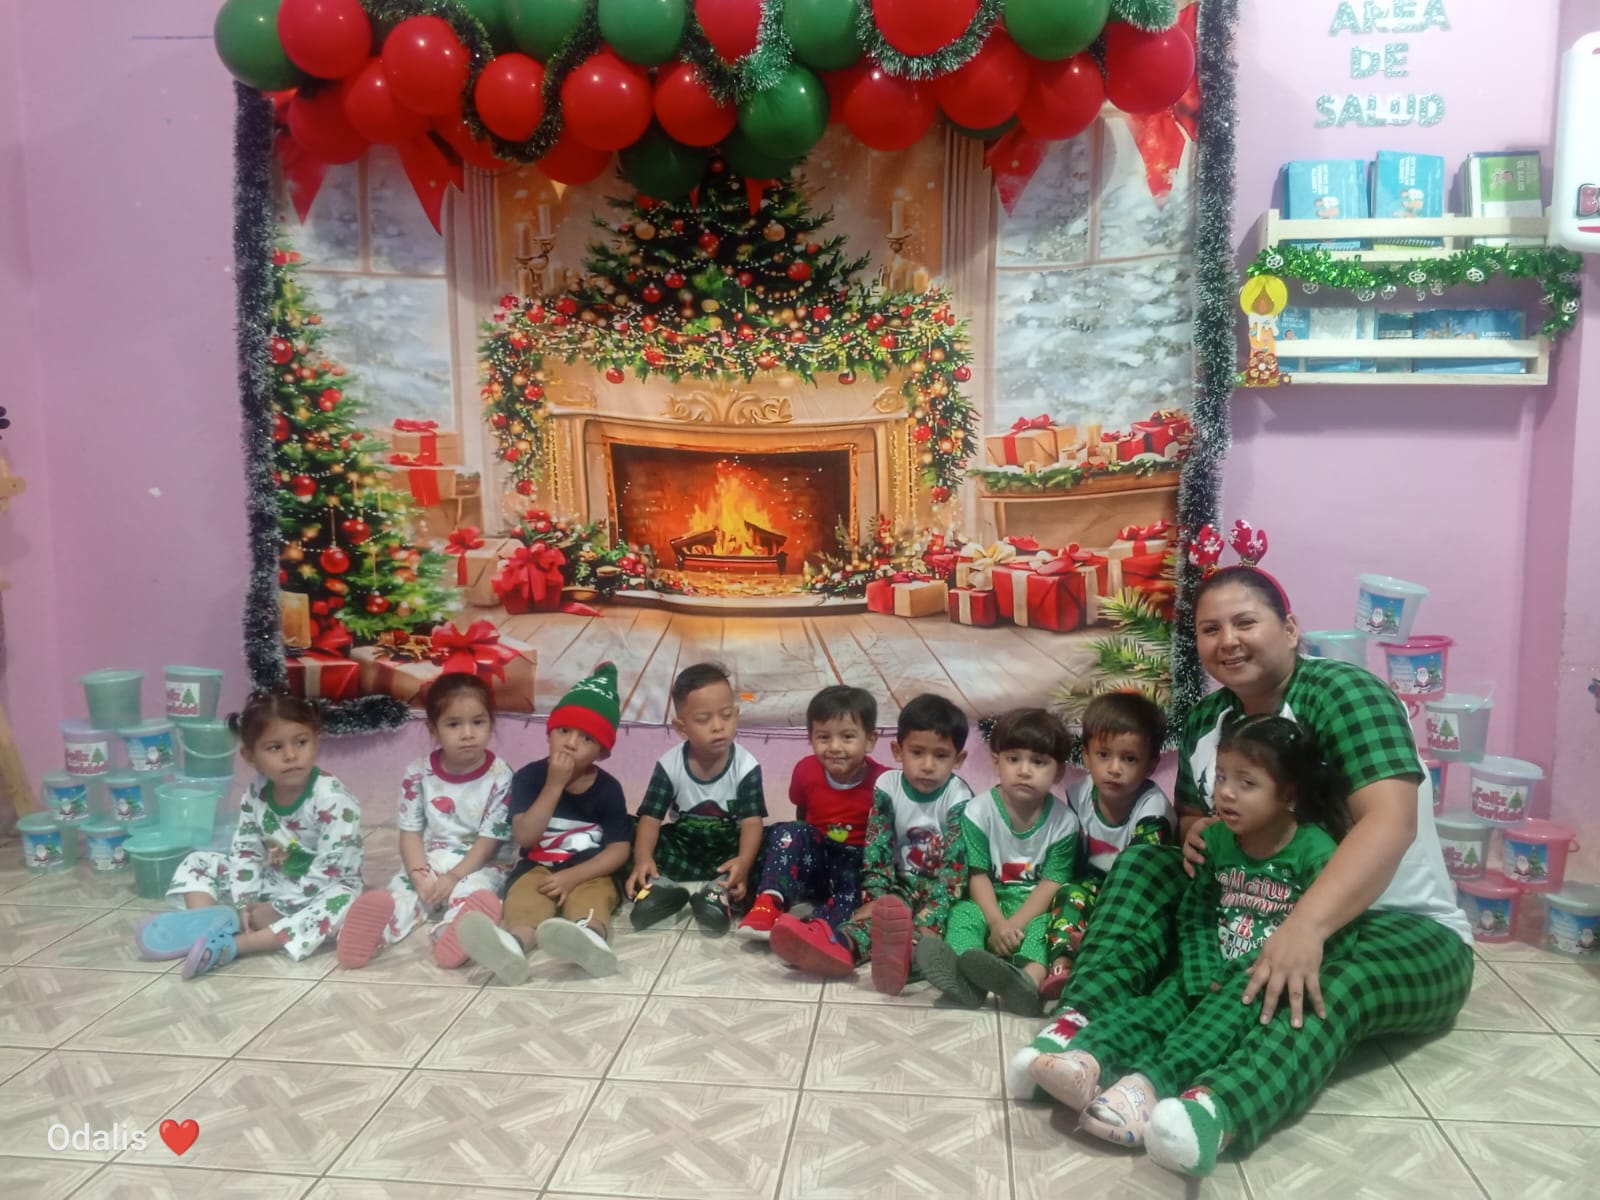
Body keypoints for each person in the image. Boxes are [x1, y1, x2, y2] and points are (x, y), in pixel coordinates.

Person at [1015, 563, 1472, 1178]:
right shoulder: (1209, 718)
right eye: (1210, 629)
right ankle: (1080, 1031)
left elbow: (1390, 823)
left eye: (1245, 622)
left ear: (1290, 629)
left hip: (1397, 924)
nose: (1227, 640)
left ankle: (1216, 1107)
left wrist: (1306, 927)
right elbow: (1190, 816)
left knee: (1325, 972)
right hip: (1254, 904)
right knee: (1145, 864)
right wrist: (1195, 831)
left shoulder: (1345, 694)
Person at [1047, 716, 1352, 1149]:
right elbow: (1197, 912)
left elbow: (1334, 926)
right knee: (1153, 1009)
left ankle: (1148, 1087)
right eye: (1222, 777)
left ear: (1288, 795)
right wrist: (1200, 970)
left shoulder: (1316, 852)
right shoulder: (1218, 840)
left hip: (1256, 982)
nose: (1225, 792)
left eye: (1246, 783)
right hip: (1207, 969)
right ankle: (1088, 1058)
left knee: (1202, 1035)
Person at [132, 692, 363, 978]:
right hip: (275, 879)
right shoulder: (257, 790)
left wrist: (277, 909)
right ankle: (205, 924)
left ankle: (235, 944)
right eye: (275, 747)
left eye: (301, 742)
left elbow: (332, 868)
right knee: (199, 861)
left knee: (343, 905)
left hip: (323, 887)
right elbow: (246, 849)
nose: (291, 755)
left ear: (316, 741)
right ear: (250, 756)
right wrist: (245, 902)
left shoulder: (333, 799)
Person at [767, 693, 973, 992]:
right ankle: (840, 947)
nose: (927, 765)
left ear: (959, 759)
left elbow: (954, 870)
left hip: (940, 890)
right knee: (871, 921)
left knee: (926, 931)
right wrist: (877, 897)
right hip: (899, 885)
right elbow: (877, 848)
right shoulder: (887, 786)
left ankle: (905, 961)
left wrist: (930, 914)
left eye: (940, 756)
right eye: (917, 752)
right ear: (898, 751)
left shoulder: (958, 797)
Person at [456, 663, 632, 983]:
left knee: (593, 898)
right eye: (564, 731)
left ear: (602, 753)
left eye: (586, 738)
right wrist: (553, 785)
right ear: (549, 733)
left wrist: (574, 876)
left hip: (588, 870)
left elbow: (619, 849)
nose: (571, 743)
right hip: (538, 866)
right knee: (524, 899)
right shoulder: (529, 777)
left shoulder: (609, 789)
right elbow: (525, 837)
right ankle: (513, 946)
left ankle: (590, 940)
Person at [335, 674, 514, 969]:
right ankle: (376, 931)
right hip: (434, 856)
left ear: (491, 724)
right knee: (405, 890)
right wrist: (418, 872)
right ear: (434, 728)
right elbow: (410, 832)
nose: (467, 734)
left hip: (482, 862)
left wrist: (454, 877)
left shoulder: (500, 775)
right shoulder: (418, 773)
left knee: (476, 891)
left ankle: (452, 933)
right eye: (454, 724)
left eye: (478, 722)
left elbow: (489, 841)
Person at [915, 707, 1078, 1016]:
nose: (1024, 771)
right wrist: (995, 922)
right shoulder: (979, 811)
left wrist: (1015, 924)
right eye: (1013, 759)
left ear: (1058, 772)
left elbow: (1052, 882)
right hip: (989, 900)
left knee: (1048, 928)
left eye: (1038, 762)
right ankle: (965, 977)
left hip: (1034, 907)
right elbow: (977, 874)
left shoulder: (1064, 822)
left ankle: (1027, 983)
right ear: (996, 763)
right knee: (963, 913)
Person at [1042, 691, 1174, 1002]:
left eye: (1129, 759)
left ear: (1151, 764)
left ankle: (1099, 964)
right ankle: (1062, 964)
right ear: (1086, 755)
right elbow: (1070, 858)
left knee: (1142, 926)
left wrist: (1100, 923)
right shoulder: (1079, 795)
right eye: (1103, 755)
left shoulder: (1152, 811)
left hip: (1136, 898)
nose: (1114, 768)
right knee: (1069, 893)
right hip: (1093, 886)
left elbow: (1140, 877)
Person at [736, 685, 887, 940]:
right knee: (789, 831)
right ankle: (769, 902)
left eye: (847, 737)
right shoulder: (805, 770)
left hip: (856, 866)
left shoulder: (884, 783)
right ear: (810, 738)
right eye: (824, 737)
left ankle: (813, 930)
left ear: (870, 740)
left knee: (853, 898)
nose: (835, 747)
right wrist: (800, 851)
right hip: (816, 860)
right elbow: (802, 813)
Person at [626, 662, 767, 935]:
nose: (718, 727)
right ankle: (660, 889)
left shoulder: (746, 766)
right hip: (683, 848)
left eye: (726, 715)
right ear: (682, 727)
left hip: (728, 851)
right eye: (704, 719)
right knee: (626, 831)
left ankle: (719, 892)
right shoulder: (669, 764)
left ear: (736, 715)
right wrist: (643, 857)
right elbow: (651, 818)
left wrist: (744, 862)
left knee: (775, 841)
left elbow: (751, 822)